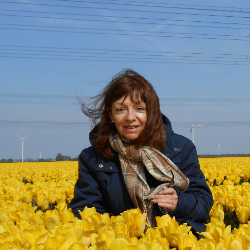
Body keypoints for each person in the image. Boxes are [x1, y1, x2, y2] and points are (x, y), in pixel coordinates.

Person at [69, 69, 213, 238]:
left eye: (139, 108)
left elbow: (203, 202)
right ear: (111, 116)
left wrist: (179, 203)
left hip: (174, 241)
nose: (130, 117)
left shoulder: (181, 148)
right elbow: (85, 213)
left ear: (151, 112)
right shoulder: (93, 158)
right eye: (121, 109)